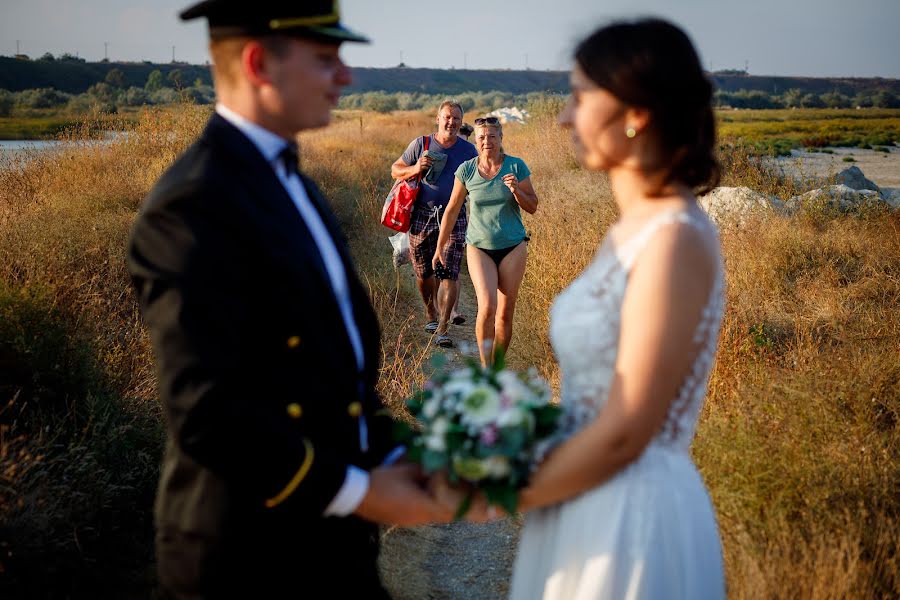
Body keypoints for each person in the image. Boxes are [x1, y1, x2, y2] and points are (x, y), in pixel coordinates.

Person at [127, 3, 452, 597]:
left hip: (329, 544)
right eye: (326, 59)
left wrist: (407, 453)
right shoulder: (193, 205)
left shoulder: (292, 183)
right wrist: (360, 491)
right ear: (259, 64)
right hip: (248, 557)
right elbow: (206, 413)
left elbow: (330, 381)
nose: (345, 76)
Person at [492, 19, 725, 599]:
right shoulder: (629, 230)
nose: (566, 117)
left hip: (631, 516)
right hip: (583, 497)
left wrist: (491, 490)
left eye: (578, 96)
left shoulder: (674, 238)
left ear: (635, 112)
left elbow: (626, 433)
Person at [432, 116, 538, 366]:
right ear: (475, 141)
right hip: (479, 247)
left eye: (492, 136)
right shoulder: (467, 169)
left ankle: (498, 367)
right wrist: (440, 246)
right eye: (481, 137)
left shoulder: (516, 166)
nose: (486, 141)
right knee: (487, 306)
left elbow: (532, 206)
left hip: (513, 246)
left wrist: (516, 190)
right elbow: (451, 209)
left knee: (504, 313)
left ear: (500, 138)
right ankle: (485, 368)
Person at [391, 101, 477, 347]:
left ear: (461, 122)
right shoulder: (421, 144)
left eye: (456, 119)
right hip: (422, 215)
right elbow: (395, 169)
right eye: (447, 118)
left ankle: (443, 326)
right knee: (423, 271)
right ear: (438, 119)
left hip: (455, 216)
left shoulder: (468, 151)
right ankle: (430, 313)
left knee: (449, 270)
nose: (452, 123)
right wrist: (416, 168)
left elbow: (480, 179)